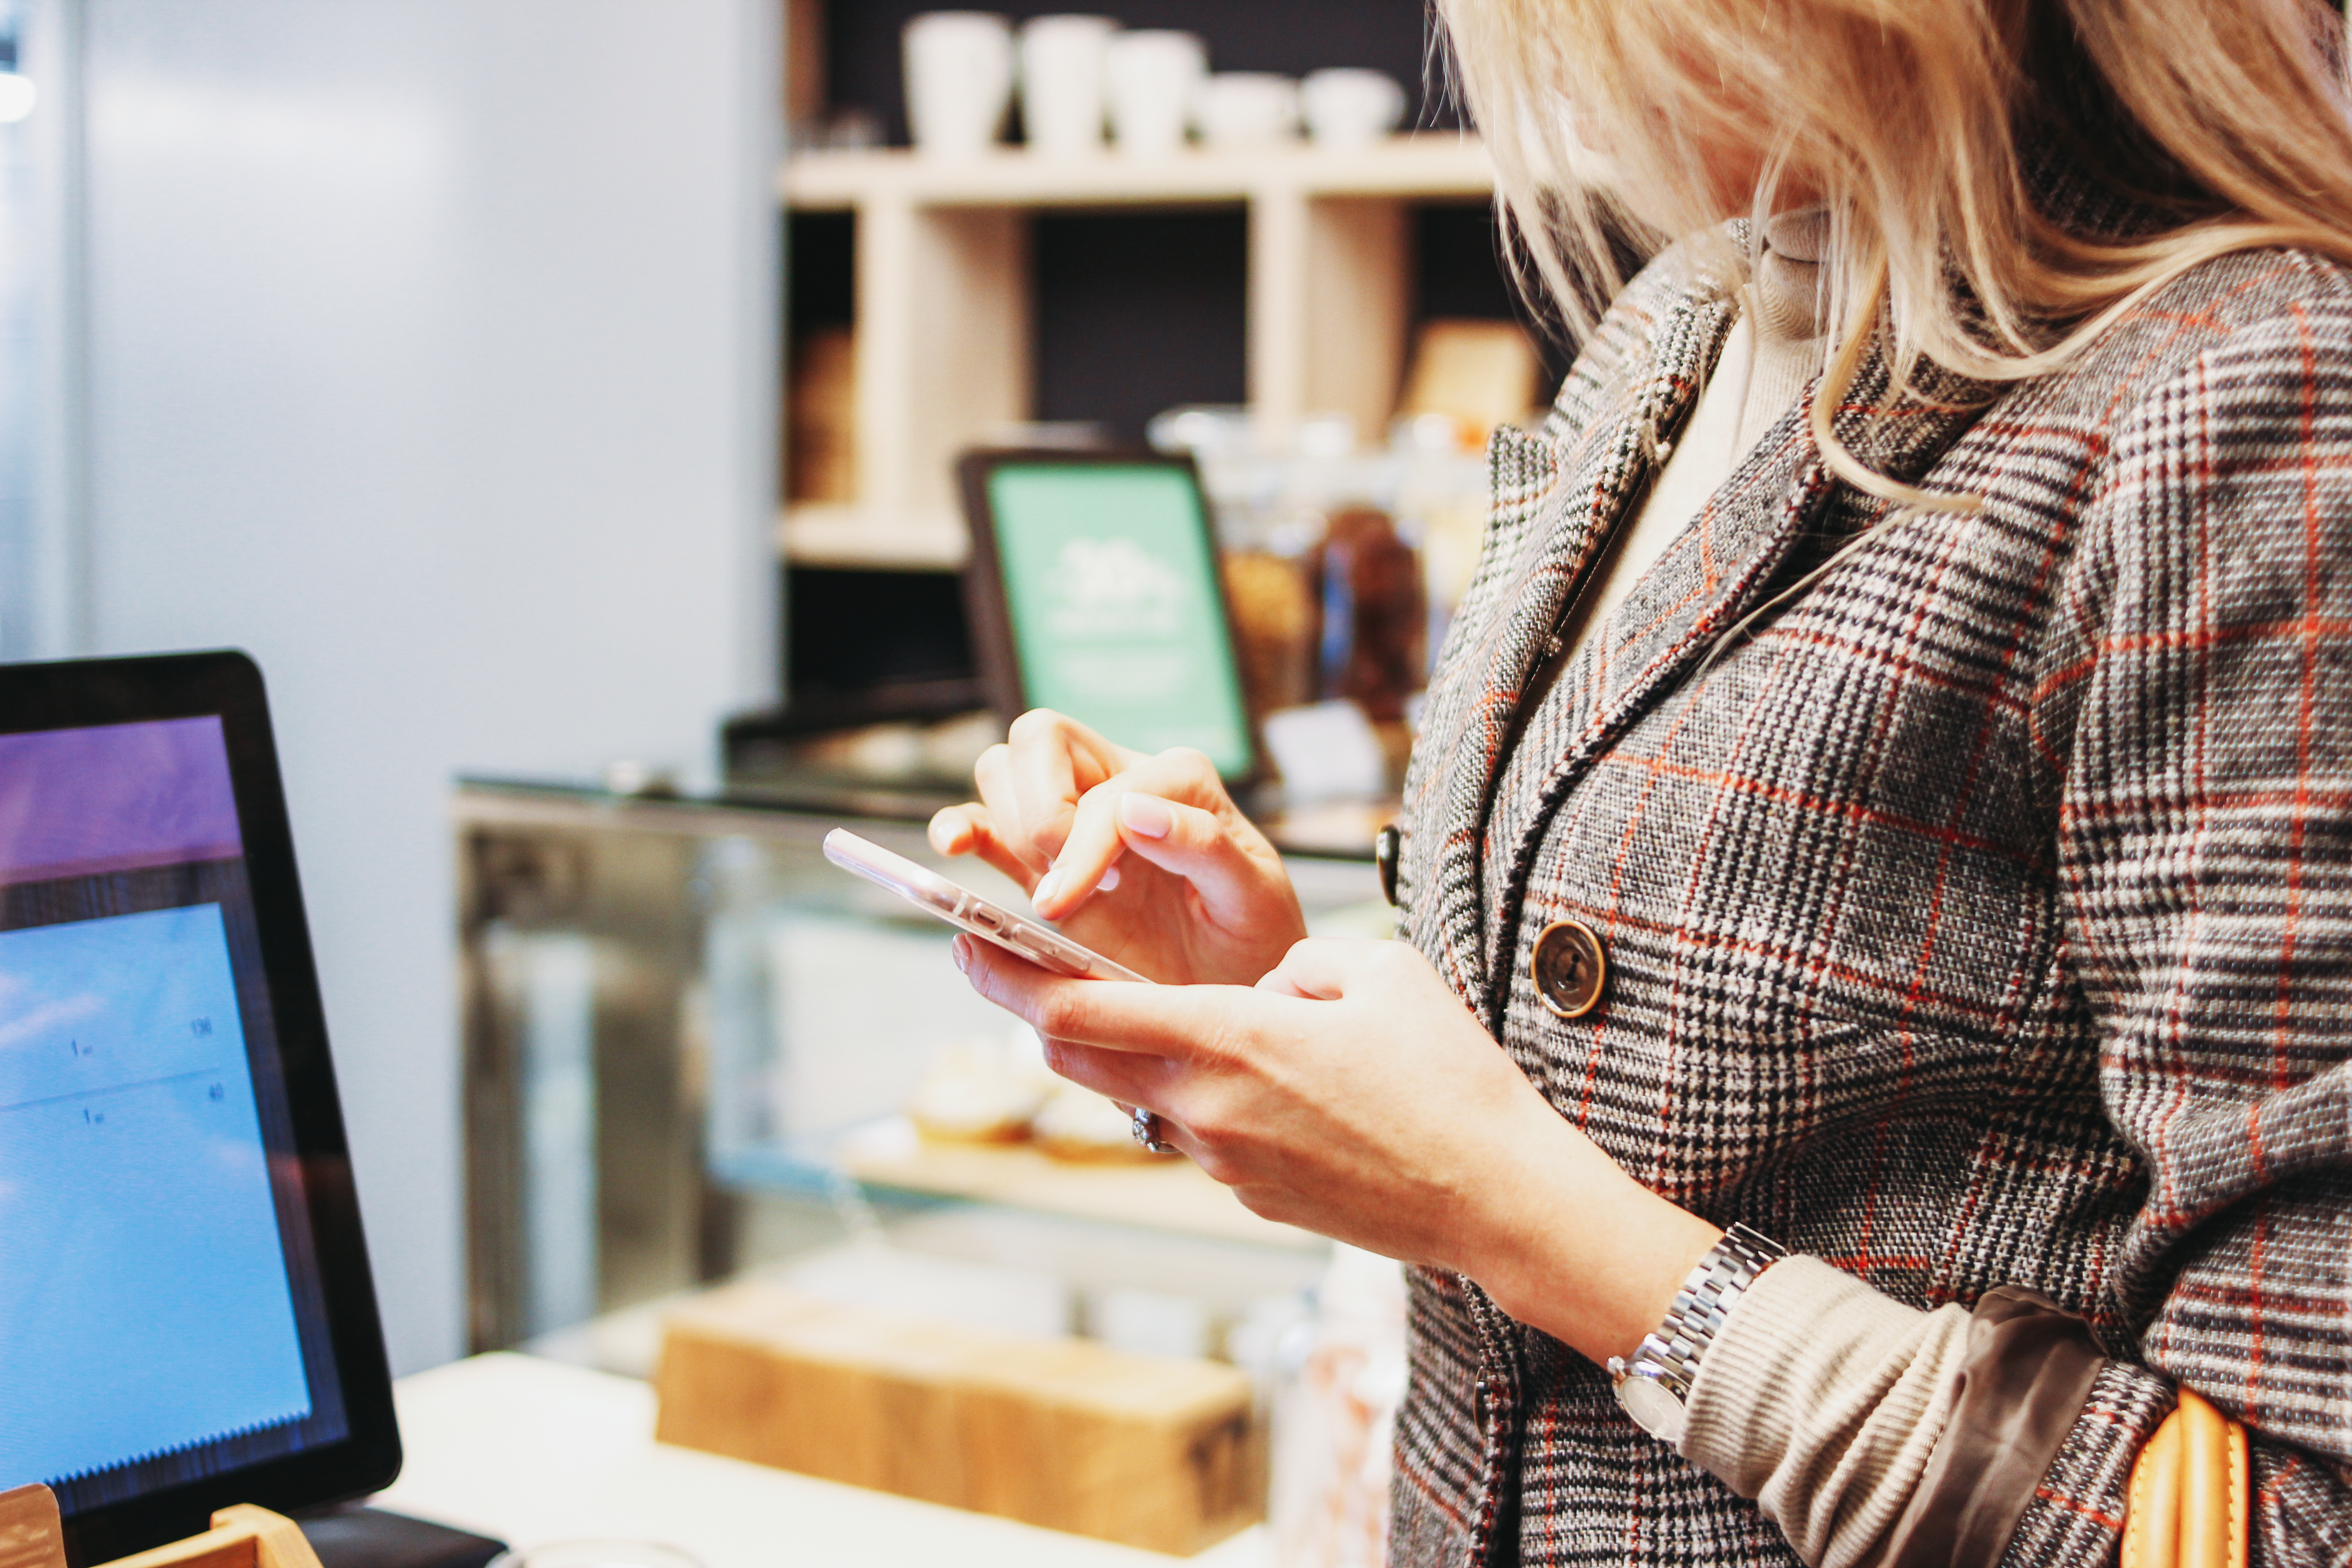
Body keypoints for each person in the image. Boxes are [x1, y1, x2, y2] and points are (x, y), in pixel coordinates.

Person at [929, 0, 2352, 1562]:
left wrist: (1512, 1211)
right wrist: (1264, 996)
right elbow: (1622, 1073)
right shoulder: (1684, 319)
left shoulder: (2244, 393)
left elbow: (2300, 1512)